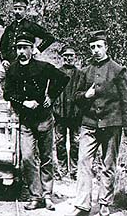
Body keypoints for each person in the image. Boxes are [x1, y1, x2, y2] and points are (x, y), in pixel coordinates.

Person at [65, 30, 127, 216]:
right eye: (92, 47)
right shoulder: (85, 70)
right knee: (83, 162)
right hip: (89, 124)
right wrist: (85, 95)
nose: (95, 50)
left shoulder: (118, 70)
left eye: (99, 46)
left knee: (108, 165)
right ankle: (82, 205)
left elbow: (125, 102)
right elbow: (76, 97)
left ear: (106, 47)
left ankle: (105, 203)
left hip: (112, 124)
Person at [3, 32, 69, 211]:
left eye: (25, 48)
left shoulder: (43, 67)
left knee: (47, 158)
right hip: (25, 121)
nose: (21, 51)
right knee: (27, 158)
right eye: (18, 48)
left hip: (44, 119)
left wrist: (51, 96)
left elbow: (63, 78)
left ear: (32, 49)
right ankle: (35, 195)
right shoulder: (12, 69)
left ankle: (47, 196)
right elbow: (7, 93)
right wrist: (23, 102)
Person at [0, 0, 56, 68]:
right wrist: (4, 60)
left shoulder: (31, 26)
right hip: (9, 64)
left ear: (25, 10)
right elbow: (2, 47)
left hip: (26, 64)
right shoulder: (9, 28)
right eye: (15, 9)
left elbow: (50, 38)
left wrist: (38, 49)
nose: (17, 11)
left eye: (20, 9)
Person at [53, 45, 82, 180]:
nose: (69, 58)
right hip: (60, 114)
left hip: (75, 115)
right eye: (66, 55)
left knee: (76, 143)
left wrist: (79, 110)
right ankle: (62, 169)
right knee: (60, 142)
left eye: (71, 55)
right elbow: (51, 93)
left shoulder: (81, 74)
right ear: (62, 57)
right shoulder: (57, 73)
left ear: (75, 57)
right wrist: (55, 109)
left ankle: (75, 170)